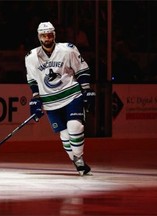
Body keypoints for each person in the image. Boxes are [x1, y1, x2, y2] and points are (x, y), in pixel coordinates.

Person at [25, 22, 96, 176]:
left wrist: (86, 89)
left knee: (75, 127)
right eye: (44, 35)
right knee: (64, 135)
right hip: (50, 102)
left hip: (71, 95)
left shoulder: (68, 50)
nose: (47, 38)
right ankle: (78, 161)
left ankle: (79, 160)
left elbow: (82, 69)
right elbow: (32, 80)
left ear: (54, 35)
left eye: (50, 34)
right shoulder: (31, 57)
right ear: (39, 37)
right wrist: (36, 98)